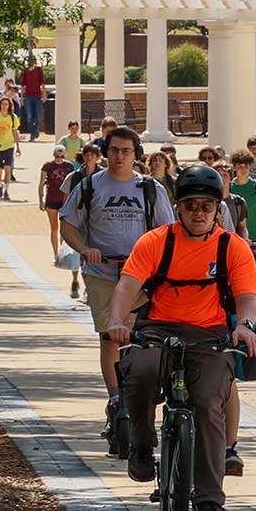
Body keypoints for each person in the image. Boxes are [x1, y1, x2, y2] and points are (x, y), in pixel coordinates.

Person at [103, 165, 256, 511]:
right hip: (158, 327)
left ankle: (209, 501)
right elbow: (127, 288)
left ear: (218, 210)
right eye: (191, 205)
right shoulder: (156, 241)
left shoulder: (232, 247)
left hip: (210, 334)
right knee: (139, 373)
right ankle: (142, 447)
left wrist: (244, 325)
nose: (199, 212)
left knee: (208, 402)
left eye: (207, 206)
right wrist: (116, 321)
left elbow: (246, 297)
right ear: (178, 207)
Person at [59, 127, 175, 439]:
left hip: (142, 278)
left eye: (126, 150)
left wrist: (152, 259)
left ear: (136, 155)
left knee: (139, 339)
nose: (119, 156)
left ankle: (140, 394)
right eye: (114, 150)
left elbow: (167, 232)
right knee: (110, 338)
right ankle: (115, 397)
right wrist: (85, 249)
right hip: (102, 275)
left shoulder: (150, 188)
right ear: (105, 151)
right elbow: (67, 223)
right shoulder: (89, 187)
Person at [39, 144, 77, 280]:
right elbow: (41, 183)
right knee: (54, 228)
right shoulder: (47, 166)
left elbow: (73, 184)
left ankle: (63, 254)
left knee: (64, 229)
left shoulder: (70, 167)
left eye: (61, 156)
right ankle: (56, 254)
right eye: (57, 156)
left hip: (65, 200)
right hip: (51, 199)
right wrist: (40, 199)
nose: (59, 159)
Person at [229, 150, 256, 255]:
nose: (243, 169)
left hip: (255, 238)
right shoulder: (228, 188)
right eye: (239, 166)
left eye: (246, 166)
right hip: (234, 237)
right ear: (234, 167)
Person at [0, 96, 21, 201]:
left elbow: (15, 132)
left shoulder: (13, 118)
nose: (5, 106)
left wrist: (18, 146)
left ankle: (6, 190)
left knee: (7, 168)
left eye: (7, 104)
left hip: (9, 146)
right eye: (3, 104)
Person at [212, 161, 250, 241]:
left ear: (230, 178)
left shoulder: (239, 202)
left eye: (225, 175)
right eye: (219, 175)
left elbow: (242, 227)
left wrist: (244, 240)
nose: (222, 178)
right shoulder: (209, 202)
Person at [21, 59, 47, 142]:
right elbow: (22, 85)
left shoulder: (38, 71)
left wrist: (44, 94)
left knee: (37, 115)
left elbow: (42, 83)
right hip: (28, 96)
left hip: (37, 96)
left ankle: (35, 130)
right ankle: (32, 134)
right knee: (29, 116)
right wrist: (21, 98)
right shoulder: (25, 72)